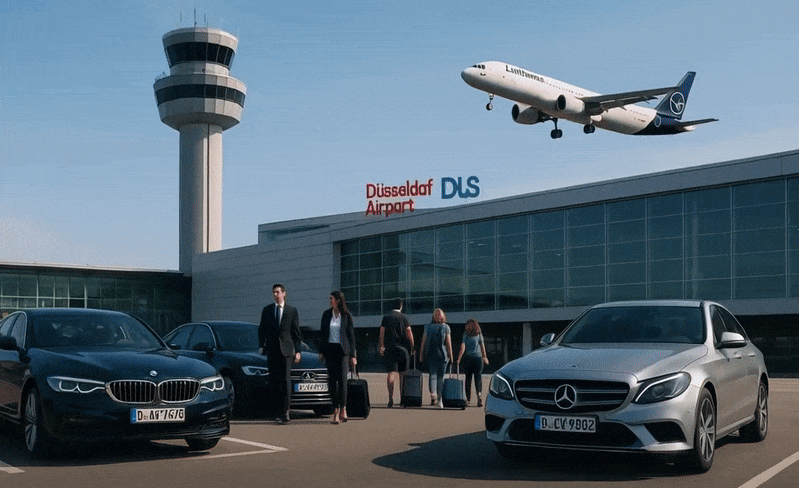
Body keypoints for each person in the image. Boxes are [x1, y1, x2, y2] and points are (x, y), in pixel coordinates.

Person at [258, 283, 303, 423]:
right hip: (272, 351)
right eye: (274, 293)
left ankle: (285, 412)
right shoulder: (267, 310)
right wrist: (261, 345)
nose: (276, 295)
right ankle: (276, 411)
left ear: (284, 294)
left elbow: (296, 332)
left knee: (285, 380)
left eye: (278, 292)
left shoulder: (291, 310)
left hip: (287, 351)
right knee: (274, 381)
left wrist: (298, 351)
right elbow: (262, 329)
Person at [318, 291, 357, 424]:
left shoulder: (346, 315)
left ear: (338, 300)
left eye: (332, 298)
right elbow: (322, 334)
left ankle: (343, 408)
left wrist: (353, 355)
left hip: (343, 352)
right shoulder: (326, 314)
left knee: (342, 382)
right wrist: (321, 351)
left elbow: (351, 337)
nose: (330, 300)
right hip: (330, 351)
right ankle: (335, 410)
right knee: (332, 382)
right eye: (330, 298)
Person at [378, 297, 414, 408]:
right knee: (403, 374)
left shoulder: (386, 317)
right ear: (401, 306)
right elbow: (409, 332)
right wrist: (412, 346)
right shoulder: (404, 318)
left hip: (390, 349)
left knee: (391, 373)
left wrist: (381, 345)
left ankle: (390, 398)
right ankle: (402, 399)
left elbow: (382, 332)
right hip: (403, 349)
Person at [419, 308, 452, 409]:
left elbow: (423, 342)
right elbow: (448, 343)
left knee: (432, 375)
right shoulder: (446, 327)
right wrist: (451, 356)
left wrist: (421, 354)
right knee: (440, 377)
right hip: (443, 355)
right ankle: (439, 399)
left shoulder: (427, 326)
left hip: (431, 353)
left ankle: (433, 394)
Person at [456, 318, 489, 407]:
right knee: (478, 377)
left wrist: (459, 359)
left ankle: (468, 399)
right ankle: (479, 394)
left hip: (468, 359)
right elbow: (482, 347)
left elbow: (462, 347)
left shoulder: (465, 335)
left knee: (468, 379)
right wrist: (485, 357)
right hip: (478, 359)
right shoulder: (479, 335)